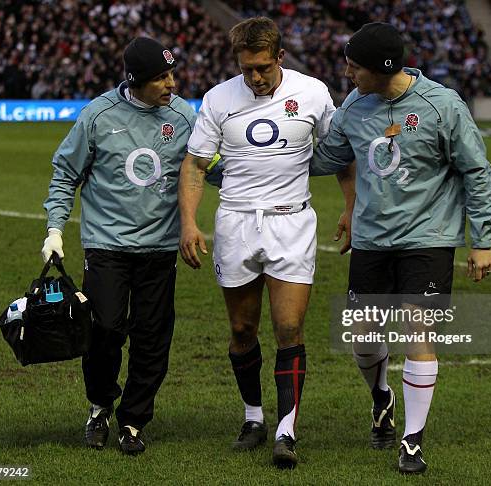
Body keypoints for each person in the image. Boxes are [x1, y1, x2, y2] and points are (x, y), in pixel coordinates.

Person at [310, 23, 491, 474]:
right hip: (372, 238)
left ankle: (412, 440)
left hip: (429, 238)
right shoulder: (355, 105)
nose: (347, 72)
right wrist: (256, 159)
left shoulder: (441, 105)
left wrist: (482, 241)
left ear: (382, 69)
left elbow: (477, 172)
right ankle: (381, 397)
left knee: (418, 331)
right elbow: (328, 157)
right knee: (363, 341)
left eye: (355, 66)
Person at [177, 17, 344, 469]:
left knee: (288, 328)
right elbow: (194, 164)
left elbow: (340, 153)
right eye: (247, 68)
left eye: (263, 68)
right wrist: (189, 223)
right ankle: (254, 418)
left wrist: (350, 208)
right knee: (242, 330)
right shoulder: (217, 98)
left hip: (291, 223)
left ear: (281, 58)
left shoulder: (313, 93)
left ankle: (286, 430)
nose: (255, 77)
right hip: (234, 222)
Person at [41, 37, 197, 455]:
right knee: (105, 329)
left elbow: (202, 169)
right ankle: (99, 405)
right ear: (135, 80)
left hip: (160, 249)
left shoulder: (183, 117)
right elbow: (64, 174)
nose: (171, 83)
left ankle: (133, 420)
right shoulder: (97, 115)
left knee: (153, 337)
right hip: (107, 245)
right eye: (161, 78)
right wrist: (54, 229)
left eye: (171, 74)